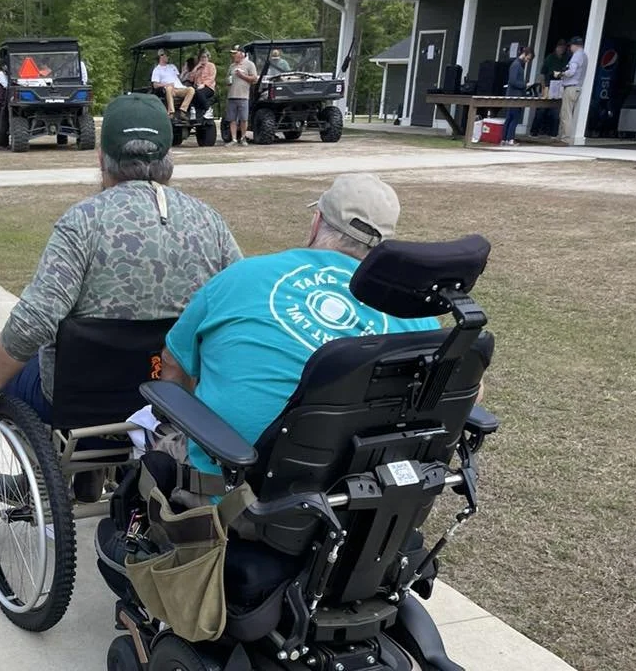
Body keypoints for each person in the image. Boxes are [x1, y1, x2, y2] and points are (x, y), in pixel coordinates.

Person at [0, 93, 243, 496]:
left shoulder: (83, 223)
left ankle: (39, 474)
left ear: (102, 157)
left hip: (79, 404)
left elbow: (35, 320)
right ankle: (89, 476)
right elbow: (237, 303)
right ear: (168, 159)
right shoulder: (209, 222)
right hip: (173, 402)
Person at [157, 173, 441, 481]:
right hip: (354, 496)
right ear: (385, 246)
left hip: (231, 494)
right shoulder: (415, 313)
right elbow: (469, 392)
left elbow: (173, 364)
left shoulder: (243, 276)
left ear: (317, 222)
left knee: (156, 451)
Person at [554, 36, 587, 143]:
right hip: (577, 87)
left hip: (571, 87)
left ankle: (565, 138)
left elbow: (571, 72)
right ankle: (562, 136)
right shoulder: (585, 56)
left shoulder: (577, 56)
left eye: (571, 45)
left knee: (566, 114)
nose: (570, 48)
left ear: (575, 45)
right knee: (566, 113)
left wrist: (560, 74)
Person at [225, 45, 258, 145]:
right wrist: (227, 81)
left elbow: (254, 79)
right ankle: (234, 139)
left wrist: (242, 76)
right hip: (231, 95)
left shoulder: (249, 65)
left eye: (235, 53)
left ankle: (243, 138)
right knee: (232, 119)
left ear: (242, 54)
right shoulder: (232, 66)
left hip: (243, 96)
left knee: (244, 118)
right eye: (233, 53)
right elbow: (227, 78)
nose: (233, 55)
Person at [534, 40, 568, 137]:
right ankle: (534, 132)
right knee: (541, 109)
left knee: (556, 111)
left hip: (559, 86)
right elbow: (542, 74)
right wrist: (543, 87)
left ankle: (553, 134)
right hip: (548, 85)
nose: (562, 49)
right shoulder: (550, 58)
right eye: (560, 47)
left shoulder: (566, 59)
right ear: (556, 47)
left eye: (563, 48)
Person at [151, 49, 196, 120]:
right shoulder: (157, 70)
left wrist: (185, 72)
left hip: (180, 88)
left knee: (191, 89)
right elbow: (155, 85)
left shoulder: (172, 66)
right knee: (169, 88)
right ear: (161, 56)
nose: (168, 57)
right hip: (170, 90)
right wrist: (166, 84)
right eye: (167, 55)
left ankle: (183, 111)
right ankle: (171, 112)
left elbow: (179, 78)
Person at [502, 46, 533, 146]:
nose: (527, 61)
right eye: (528, 58)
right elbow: (512, 81)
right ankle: (510, 139)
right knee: (514, 117)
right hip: (514, 95)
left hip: (513, 95)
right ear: (525, 54)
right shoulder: (516, 65)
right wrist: (525, 85)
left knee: (510, 117)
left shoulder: (518, 65)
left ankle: (505, 139)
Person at [189, 50, 217, 120]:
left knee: (199, 92)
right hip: (197, 87)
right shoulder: (198, 68)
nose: (203, 59)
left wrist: (204, 85)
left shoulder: (211, 66)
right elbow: (191, 79)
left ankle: (208, 109)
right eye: (201, 57)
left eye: (204, 57)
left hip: (208, 87)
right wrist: (196, 67)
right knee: (191, 92)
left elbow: (212, 78)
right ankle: (193, 111)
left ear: (208, 57)